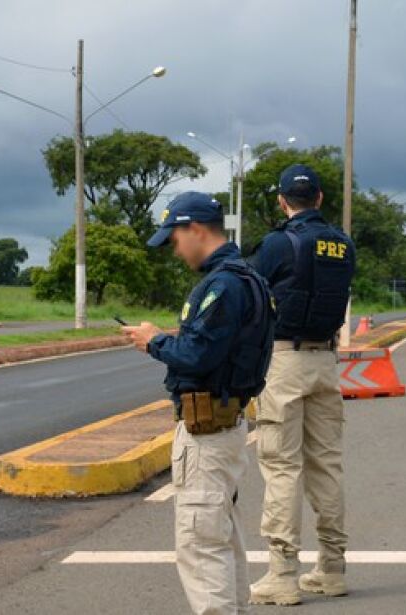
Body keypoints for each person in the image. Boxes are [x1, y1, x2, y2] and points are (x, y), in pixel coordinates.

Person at [123, 191, 274, 615]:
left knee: (201, 546)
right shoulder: (249, 278)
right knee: (221, 538)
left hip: (207, 431)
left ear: (196, 229)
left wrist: (154, 340)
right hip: (227, 423)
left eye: (174, 237)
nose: (174, 247)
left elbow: (196, 355)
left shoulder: (222, 285)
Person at [246, 164, 356, 605]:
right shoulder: (343, 245)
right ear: (321, 198)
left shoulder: (277, 244)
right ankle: (332, 568)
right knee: (326, 464)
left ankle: (283, 574)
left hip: (285, 361)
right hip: (326, 361)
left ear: (282, 200)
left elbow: (251, 296)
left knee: (281, 466)